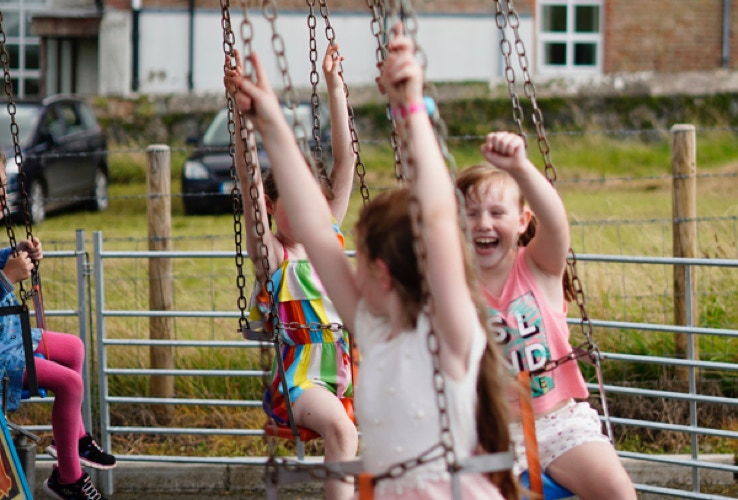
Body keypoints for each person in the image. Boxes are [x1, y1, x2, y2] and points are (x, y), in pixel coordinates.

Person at [226, 24, 516, 500]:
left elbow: (440, 220)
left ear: (383, 271)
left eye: (358, 255)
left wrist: (411, 109)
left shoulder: (453, 334)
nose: (345, 263)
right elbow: (317, 230)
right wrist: (271, 123)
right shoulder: (375, 330)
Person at [455, 134, 637, 499]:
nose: (483, 224)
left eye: (496, 213)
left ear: (522, 221)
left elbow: (555, 225)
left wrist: (520, 167)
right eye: (470, 214)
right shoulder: (453, 283)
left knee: (618, 491)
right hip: (486, 433)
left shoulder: (539, 267)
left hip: (558, 423)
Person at [225, 43, 357, 500]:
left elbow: (345, 165)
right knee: (341, 432)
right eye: (292, 205)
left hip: (344, 376)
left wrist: (335, 88)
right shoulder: (275, 256)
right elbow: (248, 181)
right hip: (299, 383)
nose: (305, 215)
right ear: (270, 206)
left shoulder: (327, 241)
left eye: (314, 207)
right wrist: (242, 117)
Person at [0, 155, 115, 500]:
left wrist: (17, 252)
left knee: (74, 347)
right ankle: (68, 478)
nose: (4, 199)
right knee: (70, 382)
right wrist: (8, 277)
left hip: (9, 337)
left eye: (3, 188)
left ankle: (75, 440)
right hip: (2, 353)